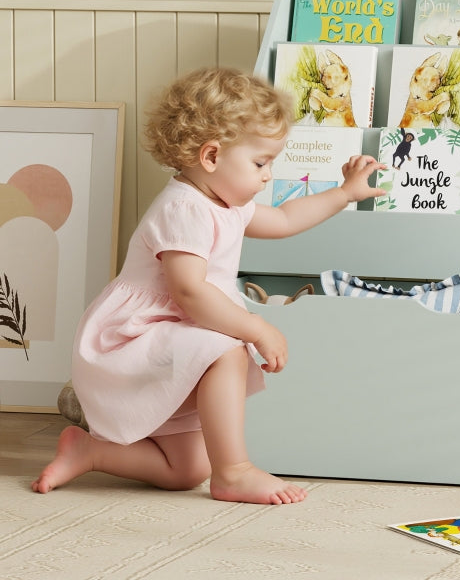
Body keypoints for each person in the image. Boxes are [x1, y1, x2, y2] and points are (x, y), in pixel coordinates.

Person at [32, 67, 385, 505]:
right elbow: (189, 293)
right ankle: (234, 471)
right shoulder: (185, 208)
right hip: (134, 338)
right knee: (227, 348)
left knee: (186, 471)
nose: (267, 176)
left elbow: (286, 219)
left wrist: (344, 194)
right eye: (261, 163)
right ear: (212, 157)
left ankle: (91, 451)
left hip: (175, 335)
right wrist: (255, 326)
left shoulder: (225, 201)